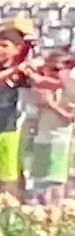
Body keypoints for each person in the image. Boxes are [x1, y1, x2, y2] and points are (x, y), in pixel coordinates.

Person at [0, 28, 57, 196]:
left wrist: (60, 79)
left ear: (16, 48)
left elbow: (42, 83)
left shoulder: (21, 68)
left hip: (8, 129)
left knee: (5, 179)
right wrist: (13, 70)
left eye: (4, 45)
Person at [29, 52, 75, 203]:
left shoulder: (70, 89)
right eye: (49, 69)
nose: (52, 73)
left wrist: (51, 105)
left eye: (57, 69)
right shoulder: (43, 88)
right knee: (40, 184)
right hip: (40, 139)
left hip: (59, 140)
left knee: (56, 184)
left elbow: (70, 117)